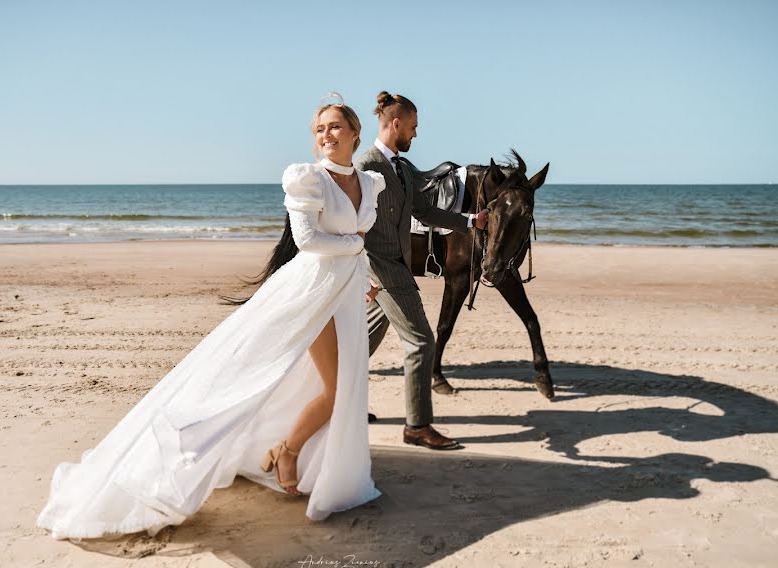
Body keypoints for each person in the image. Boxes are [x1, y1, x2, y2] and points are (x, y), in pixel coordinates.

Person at [36, 95, 384, 540]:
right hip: (312, 293)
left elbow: (355, 238)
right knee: (328, 388)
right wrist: (355, 251)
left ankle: (287, 451)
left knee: (340, 385)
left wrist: (365, 274)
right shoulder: (308, 179)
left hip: (348, 292)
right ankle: (285, 450)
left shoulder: (369, 183)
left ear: (355, 133)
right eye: (319, 129)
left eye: (335, 127)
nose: (326, 136)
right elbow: (309, 240)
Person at [354, 91, 489, 450]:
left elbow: (425, 213)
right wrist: (361, 272)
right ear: (395, 124)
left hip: (394, 266)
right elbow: (355, 224)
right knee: (421, 342)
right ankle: (417, 426)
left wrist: (471, 220)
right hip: (383, 269)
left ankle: (337, 406)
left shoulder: (400, 168)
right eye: (412, 127)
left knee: (359, 343)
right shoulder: (368, 167)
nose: (415, 134)